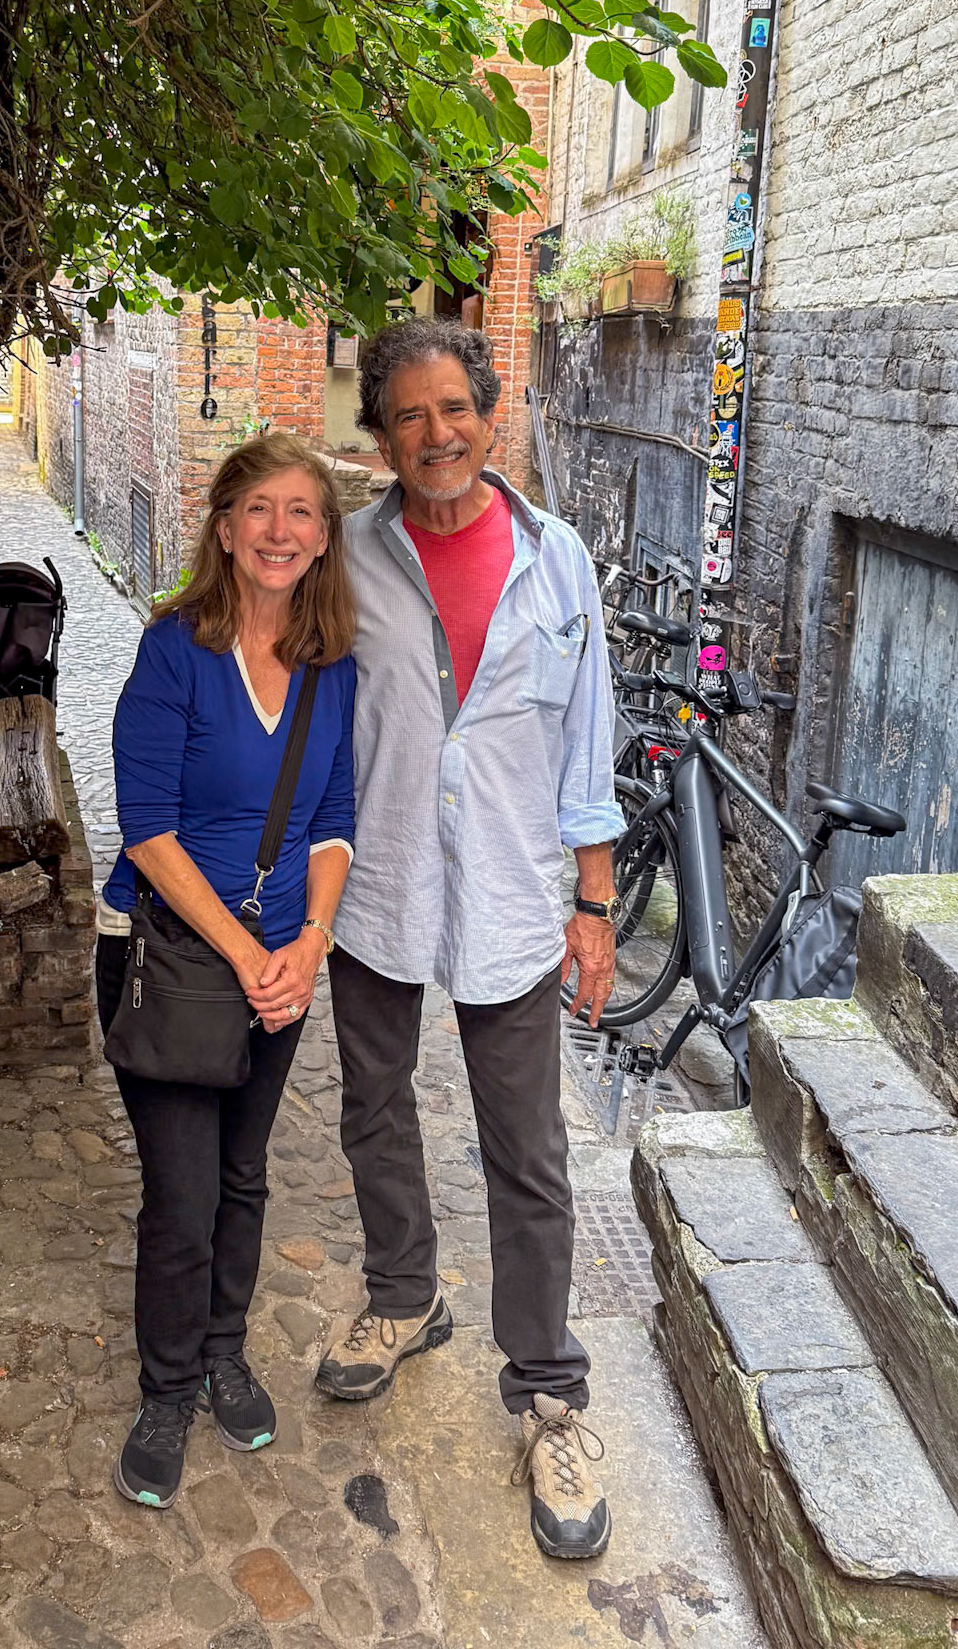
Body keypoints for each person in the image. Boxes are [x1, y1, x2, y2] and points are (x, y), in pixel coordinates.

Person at [314, 319, 624, 1561]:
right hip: (376, 882)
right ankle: (404, 1295)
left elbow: (586, 747)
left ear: (492, 415)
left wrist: (594, 907)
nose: (436, 434)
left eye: (456, 409)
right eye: (408, 415)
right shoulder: (347, 556)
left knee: (528, 1148)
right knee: (375, 1106)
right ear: (379, 436)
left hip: (506, 894)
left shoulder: (560, 564)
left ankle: (549, 1390)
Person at [96, 433, 357, 1509]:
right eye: (260, 509)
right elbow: (146, 826)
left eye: (302, 511)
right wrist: (253, 950)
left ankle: (221, 1352)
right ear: (224, 525)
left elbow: (334, 819)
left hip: (278, 974)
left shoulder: (334, 667)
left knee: (244, 1174)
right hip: (166, 958)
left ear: (325, 536)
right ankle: (166, 1388)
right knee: (184, 1190)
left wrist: (312, 943)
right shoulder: (175, 651)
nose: (279, 531)